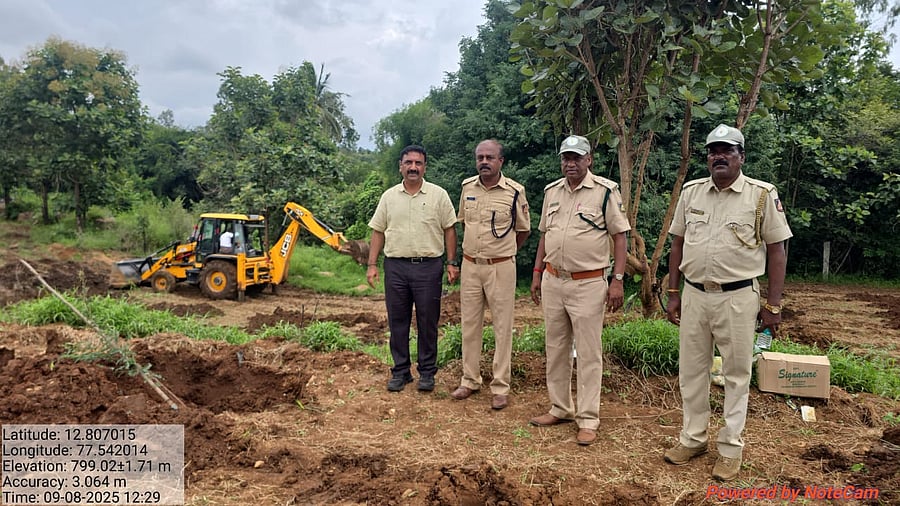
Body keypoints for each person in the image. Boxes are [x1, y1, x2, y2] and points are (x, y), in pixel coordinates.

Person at [664, 124, 792, 481]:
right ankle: (693, 438)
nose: (718, 156)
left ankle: (730, 447)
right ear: (707, 157)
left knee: (736, 374)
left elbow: (777, 250)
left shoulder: (761, 195)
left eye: (727, 150)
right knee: (691, 371)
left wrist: (774, 304)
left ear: (741, 157)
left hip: (738, 298)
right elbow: (677, 244)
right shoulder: (691, 193)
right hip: (694, 295)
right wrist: (673, 293)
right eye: (713, 151)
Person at [529, 135, 630, 446]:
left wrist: (618, 279)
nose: (570, 163)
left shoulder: (604, 192)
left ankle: (588, 418)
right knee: (556, 348)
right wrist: (536, 273)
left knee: (588, 353)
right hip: (553, 280)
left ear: (589, 160)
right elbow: (545, 235)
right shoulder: (552, 192)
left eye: (576, 158)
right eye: (566, 158)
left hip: (589, 283)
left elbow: (620, 237)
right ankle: (560, 407)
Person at [366, 145, 459, 393]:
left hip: (428, 267)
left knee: (428, 321)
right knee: (398, 321)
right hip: (395, 267)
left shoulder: (438, 195)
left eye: (418, 163)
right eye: (408, 163)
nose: (413, 167)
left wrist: (451, 262)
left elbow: (450, 229)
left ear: (425, 167)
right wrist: (372, 264)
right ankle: (401, 371)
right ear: (401, 166)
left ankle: (427, 373)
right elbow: (378, 231)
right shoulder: (389, 197)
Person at [450, 139, 531, 410]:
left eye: (489, 157)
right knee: (469, 325)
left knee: (502, 328)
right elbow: (464, 223)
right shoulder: (466, 187)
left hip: (501, 266)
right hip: (471, 265)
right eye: (480, 157)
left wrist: (504, 252)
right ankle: (470, 380)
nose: (484, 162)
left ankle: (500, 386)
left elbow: (524, 231)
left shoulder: (514, 192)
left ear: (501, 161)